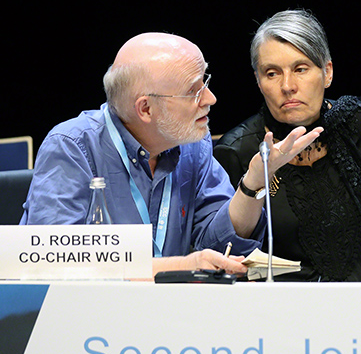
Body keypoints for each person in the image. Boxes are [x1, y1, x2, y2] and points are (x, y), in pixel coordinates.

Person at [22, 33, 320, 275]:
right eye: (194, 91)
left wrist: (253, 182)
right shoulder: (72, 146)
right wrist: (181, 266)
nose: (211, 98)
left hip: (173, 324)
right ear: (146, 109)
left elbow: (219, 244)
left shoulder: (193, 145)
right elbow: (52, 263)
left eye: (206, 81)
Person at [214, 10, 361, 281]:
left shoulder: (360, 123)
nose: (288, 86)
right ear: (258, 81)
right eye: (272, 73)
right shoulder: (237, 150)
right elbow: (228, 256)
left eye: (300, 69)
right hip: (281, 310)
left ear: (327, 72)